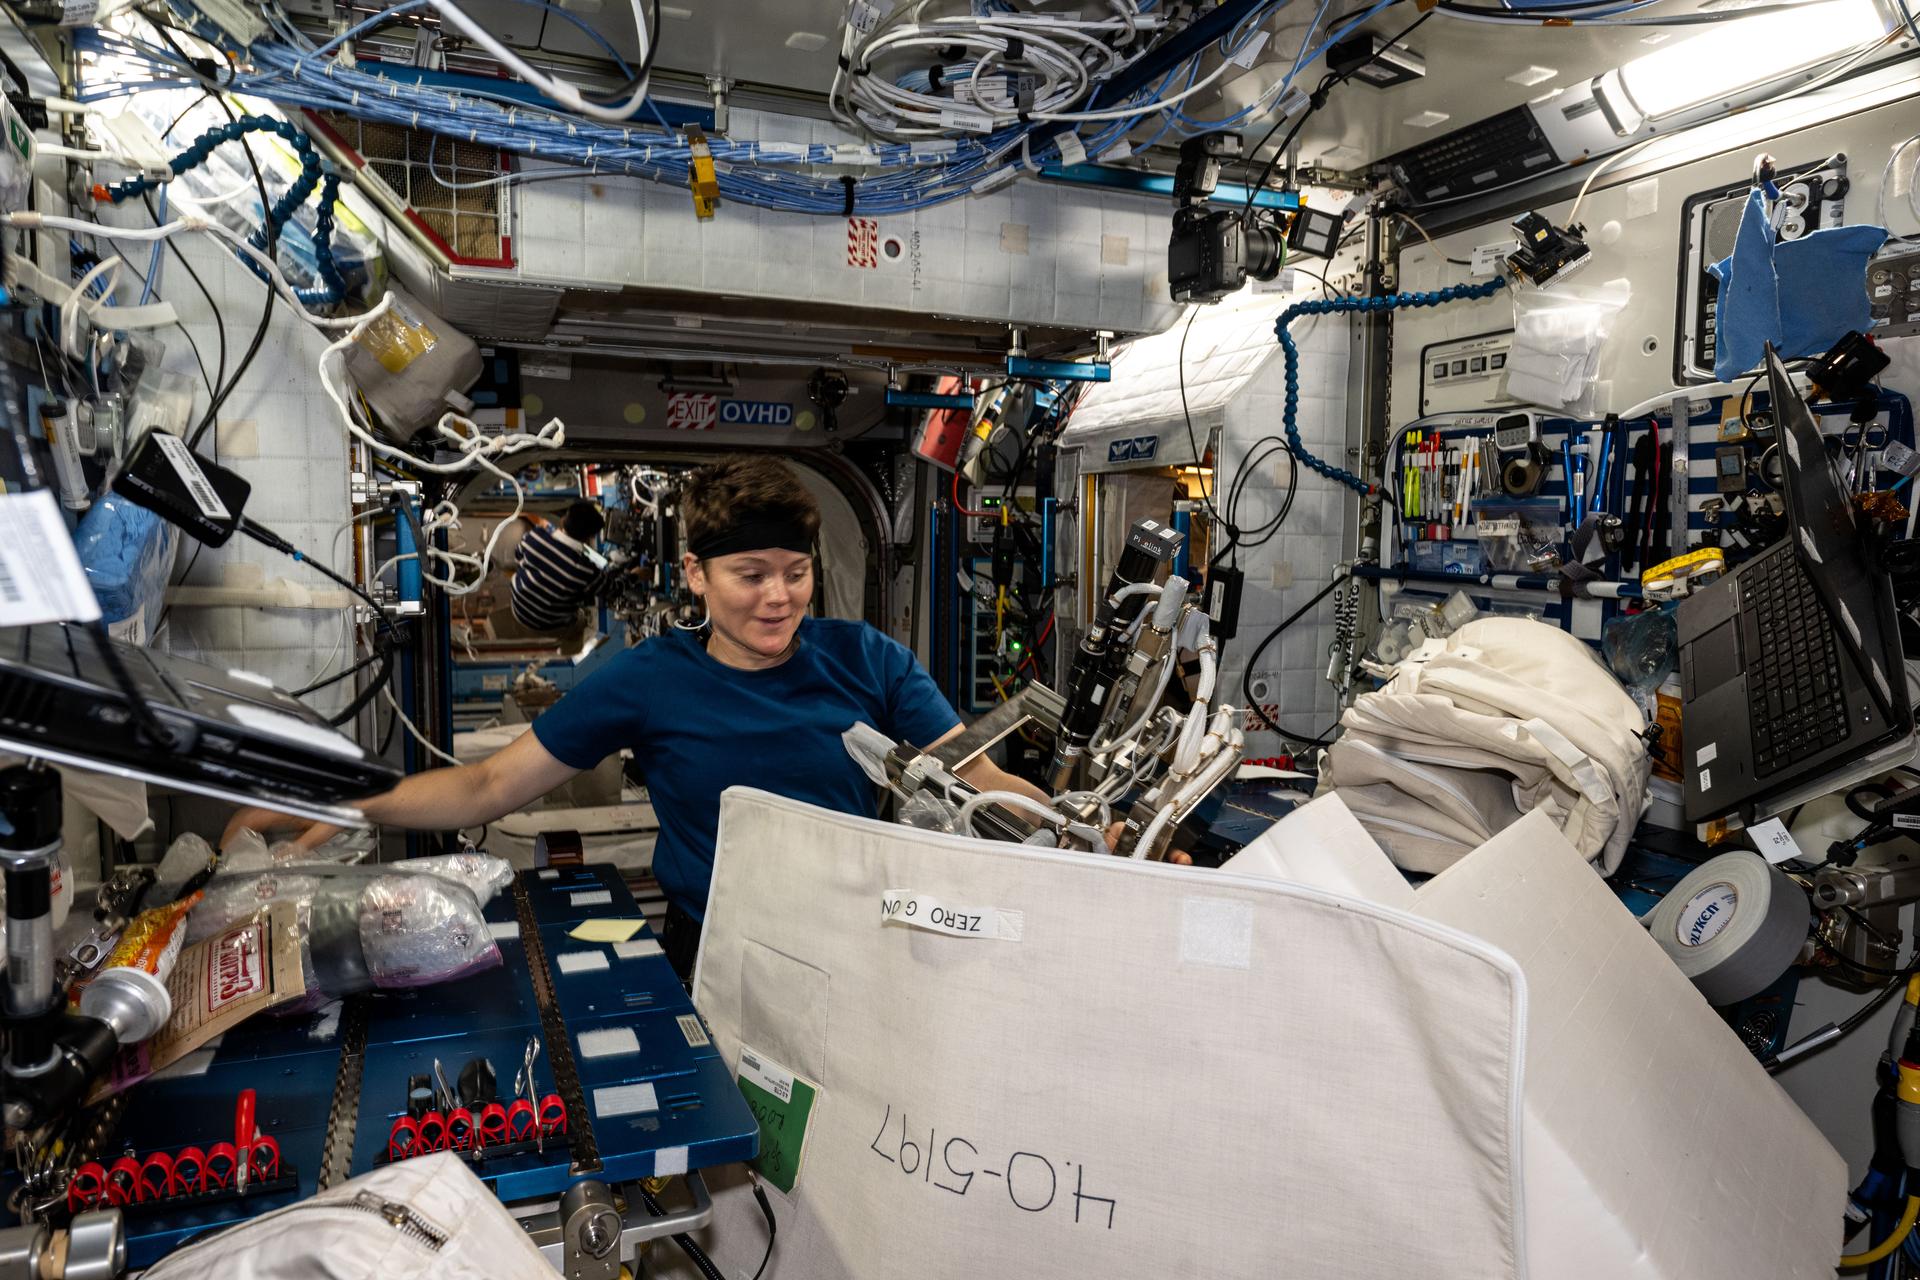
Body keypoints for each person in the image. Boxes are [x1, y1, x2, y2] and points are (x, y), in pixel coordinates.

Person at [225, 455, 1068, 979]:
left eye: (796, 572)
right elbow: (487, 786)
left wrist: (1072, 836)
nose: (779, 597)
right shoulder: (649, 681)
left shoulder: (868, 658)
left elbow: (980, 779)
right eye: (750, 574)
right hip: (720, 948)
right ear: (696, 575)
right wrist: (342, 794)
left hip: (861, 943)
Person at [509, 501, 608, 632]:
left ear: (563, 520)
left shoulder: (534, 537)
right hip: (546, 623)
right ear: (590, 537)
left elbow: (518, 557)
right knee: (579, 610)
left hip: (518, 607)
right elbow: (611, 590)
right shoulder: (585, 570)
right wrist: (636, 575)